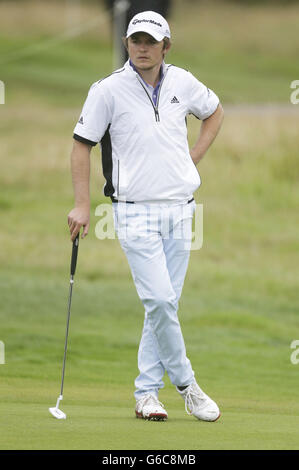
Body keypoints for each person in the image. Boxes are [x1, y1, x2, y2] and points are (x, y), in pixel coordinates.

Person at [68, 10, 224, 422]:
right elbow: (81, 145)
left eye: (150, 41)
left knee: (164, 305)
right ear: (126, 43)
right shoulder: (107, 90)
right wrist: (82, 205)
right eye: (135, 40)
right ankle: (189, 386)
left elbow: (214, 112)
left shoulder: (183, 82)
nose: (141, 47)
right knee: (158, 299)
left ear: (165, 46)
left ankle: (146, 395)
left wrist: (194, 158)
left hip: (182, 210)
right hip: (133, 212)